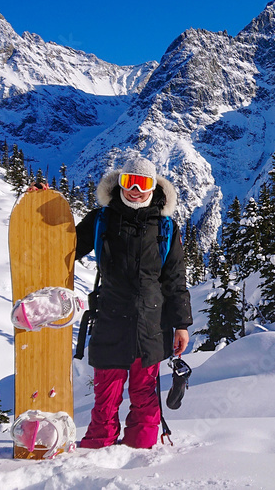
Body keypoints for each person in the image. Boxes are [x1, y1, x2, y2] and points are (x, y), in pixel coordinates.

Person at [74, 157, 191, 449]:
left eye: (143, 184)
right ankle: (95, 455)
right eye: (129, 182)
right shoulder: (101, 219)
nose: (135, 190)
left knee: (144, 394)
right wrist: (44, 204)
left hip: (150, 322)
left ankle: (141, 455)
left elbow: (175, 279)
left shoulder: (165, 227)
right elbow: (67, 247)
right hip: (110, 316)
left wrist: (181, 325)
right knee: (106, 394)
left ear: (153, 187)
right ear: (120, 183)